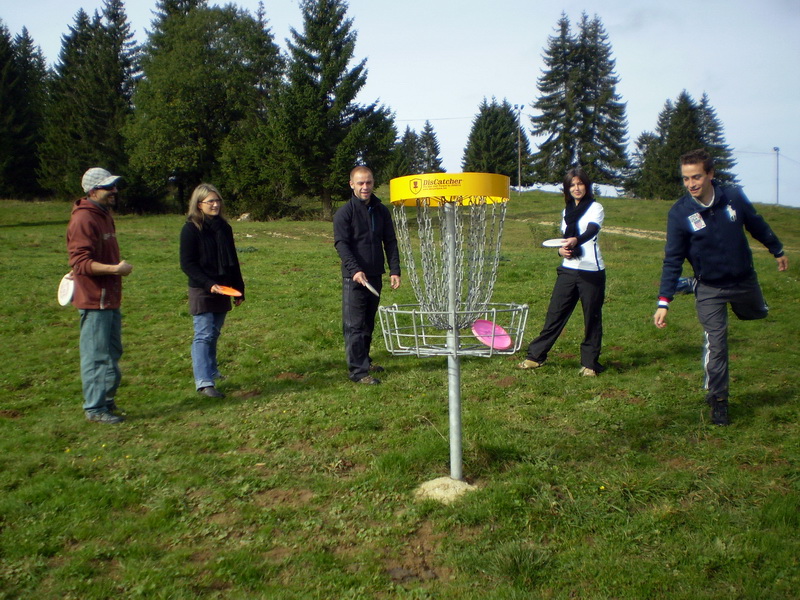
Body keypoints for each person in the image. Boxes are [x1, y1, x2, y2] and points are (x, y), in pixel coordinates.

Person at [654, 149, 788, 426]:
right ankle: (719, 400)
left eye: (697, 177)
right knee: (717, 343)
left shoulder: (733, 198)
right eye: (686, 178)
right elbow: (673, 259)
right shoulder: (680, 213)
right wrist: (664, 301)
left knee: (757, 314)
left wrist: (777, 250)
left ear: (711, 174)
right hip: (711, 288)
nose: (691, 184)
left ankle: (691, 285)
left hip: (743, 281)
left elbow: (756, 224)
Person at [519, 166, 606, 376]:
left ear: (587, 185)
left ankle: (590, 364)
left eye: (580, 184)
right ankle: (535, 357)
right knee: (555, 314)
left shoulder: (595, 208)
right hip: (568, 270)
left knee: (591, 318)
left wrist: (577, 241)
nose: (577, 188)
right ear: (567, 189)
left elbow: (591, 231)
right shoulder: (566, 211)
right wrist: (561, 251)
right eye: (572, 185)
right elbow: (563, 239)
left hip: (591, 271)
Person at [67, 167, 134, 424]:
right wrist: (114, 269)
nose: (114, 191)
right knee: (96, 356)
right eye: (109, 187)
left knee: (112, 351)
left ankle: (106, 401)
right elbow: (80, 262)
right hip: (95, 300)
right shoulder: (84, 219)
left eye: (115, 186)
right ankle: (94, 409)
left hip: (110, 298)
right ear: (93, 191)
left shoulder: (104, 215)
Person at [333, 166, 401, 384]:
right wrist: (355, 270)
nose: (365, 187)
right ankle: (358, 372)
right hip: (354, 278)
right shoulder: (345, 213)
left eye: (369, 182)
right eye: (360, 183)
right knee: (355, 325)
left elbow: (390, 241)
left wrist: (394, 270)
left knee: (368, 323)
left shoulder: (381, 211)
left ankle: (365, 359)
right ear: (351, 184)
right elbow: (341, 244)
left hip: (375, 276)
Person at [179, 183, 245, 398]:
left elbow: (232, 260)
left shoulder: (224, 228)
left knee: (214, 333)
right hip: (202, 288)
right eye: (211, 202)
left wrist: (239, 288)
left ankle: (212, 371)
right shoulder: (191, 229)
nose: (216, 205)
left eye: (218, 201)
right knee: (203, 334)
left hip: (223, 287)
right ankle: (204, 382)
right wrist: (209, 284)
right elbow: (187, 264)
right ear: (199, 204)